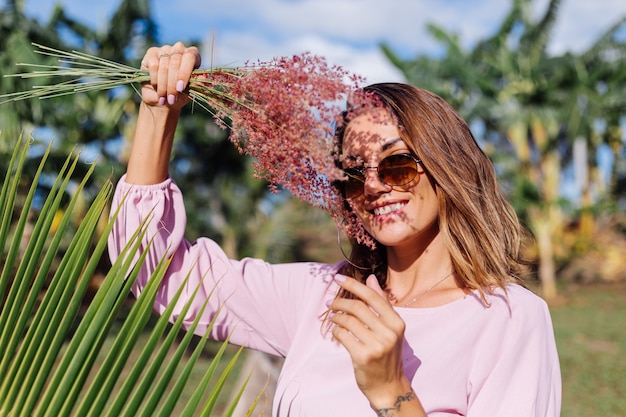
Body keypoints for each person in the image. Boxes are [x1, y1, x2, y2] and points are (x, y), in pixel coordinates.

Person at [108, 42, 561, 416]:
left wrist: (392, 392)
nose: (373, 185)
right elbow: (153, 272)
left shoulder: (509, 318)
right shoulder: (321, 296)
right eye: (351, 172)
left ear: (448, 165)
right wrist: (158, 111)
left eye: (397, 164)